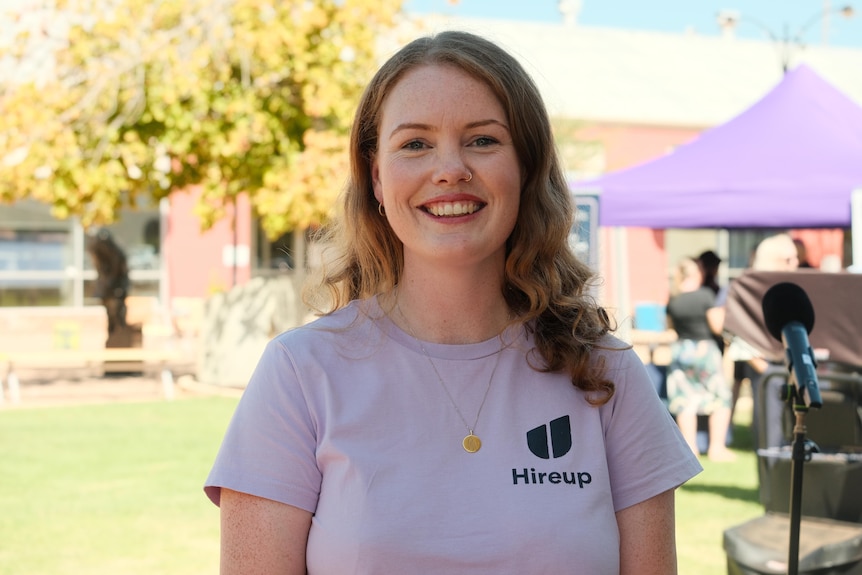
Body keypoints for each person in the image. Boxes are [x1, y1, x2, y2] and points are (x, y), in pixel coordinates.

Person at [204, 30, 701, 574]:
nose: (450, 169)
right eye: (415, 144)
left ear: (527, 168)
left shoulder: (606, 373)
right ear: (375, 176)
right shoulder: (300, 373)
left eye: (483, 140)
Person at [665, 257, 735, 461]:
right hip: (705, 351)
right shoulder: (705, 295)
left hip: (681, 350)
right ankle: (717, 448)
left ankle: (691, 448)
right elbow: (717, 326)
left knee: (685, 402)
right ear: (696, 274)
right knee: (720, 398)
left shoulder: (673, 299)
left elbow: (670, 328)